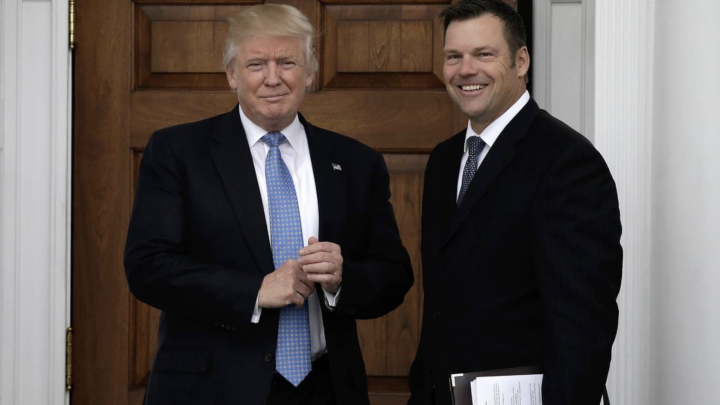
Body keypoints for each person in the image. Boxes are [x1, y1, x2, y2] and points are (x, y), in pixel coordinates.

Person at [124, 5, 413, 405]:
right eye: (256, 63)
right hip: (210, 389)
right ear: (232, 74)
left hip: (326, 389)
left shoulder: (357, 162)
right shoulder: (178, 152)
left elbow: (394, 275)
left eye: (288, 62)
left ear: (309, 73)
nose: (273, 78)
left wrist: (341, 279)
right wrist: (255, 291)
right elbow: (147, 267)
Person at [408, 1, 622, 404]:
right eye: (454, 57)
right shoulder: (443, 160)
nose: (465, 70)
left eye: (484, 54)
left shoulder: (566, 161)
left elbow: (582, 325)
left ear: (521, 60)